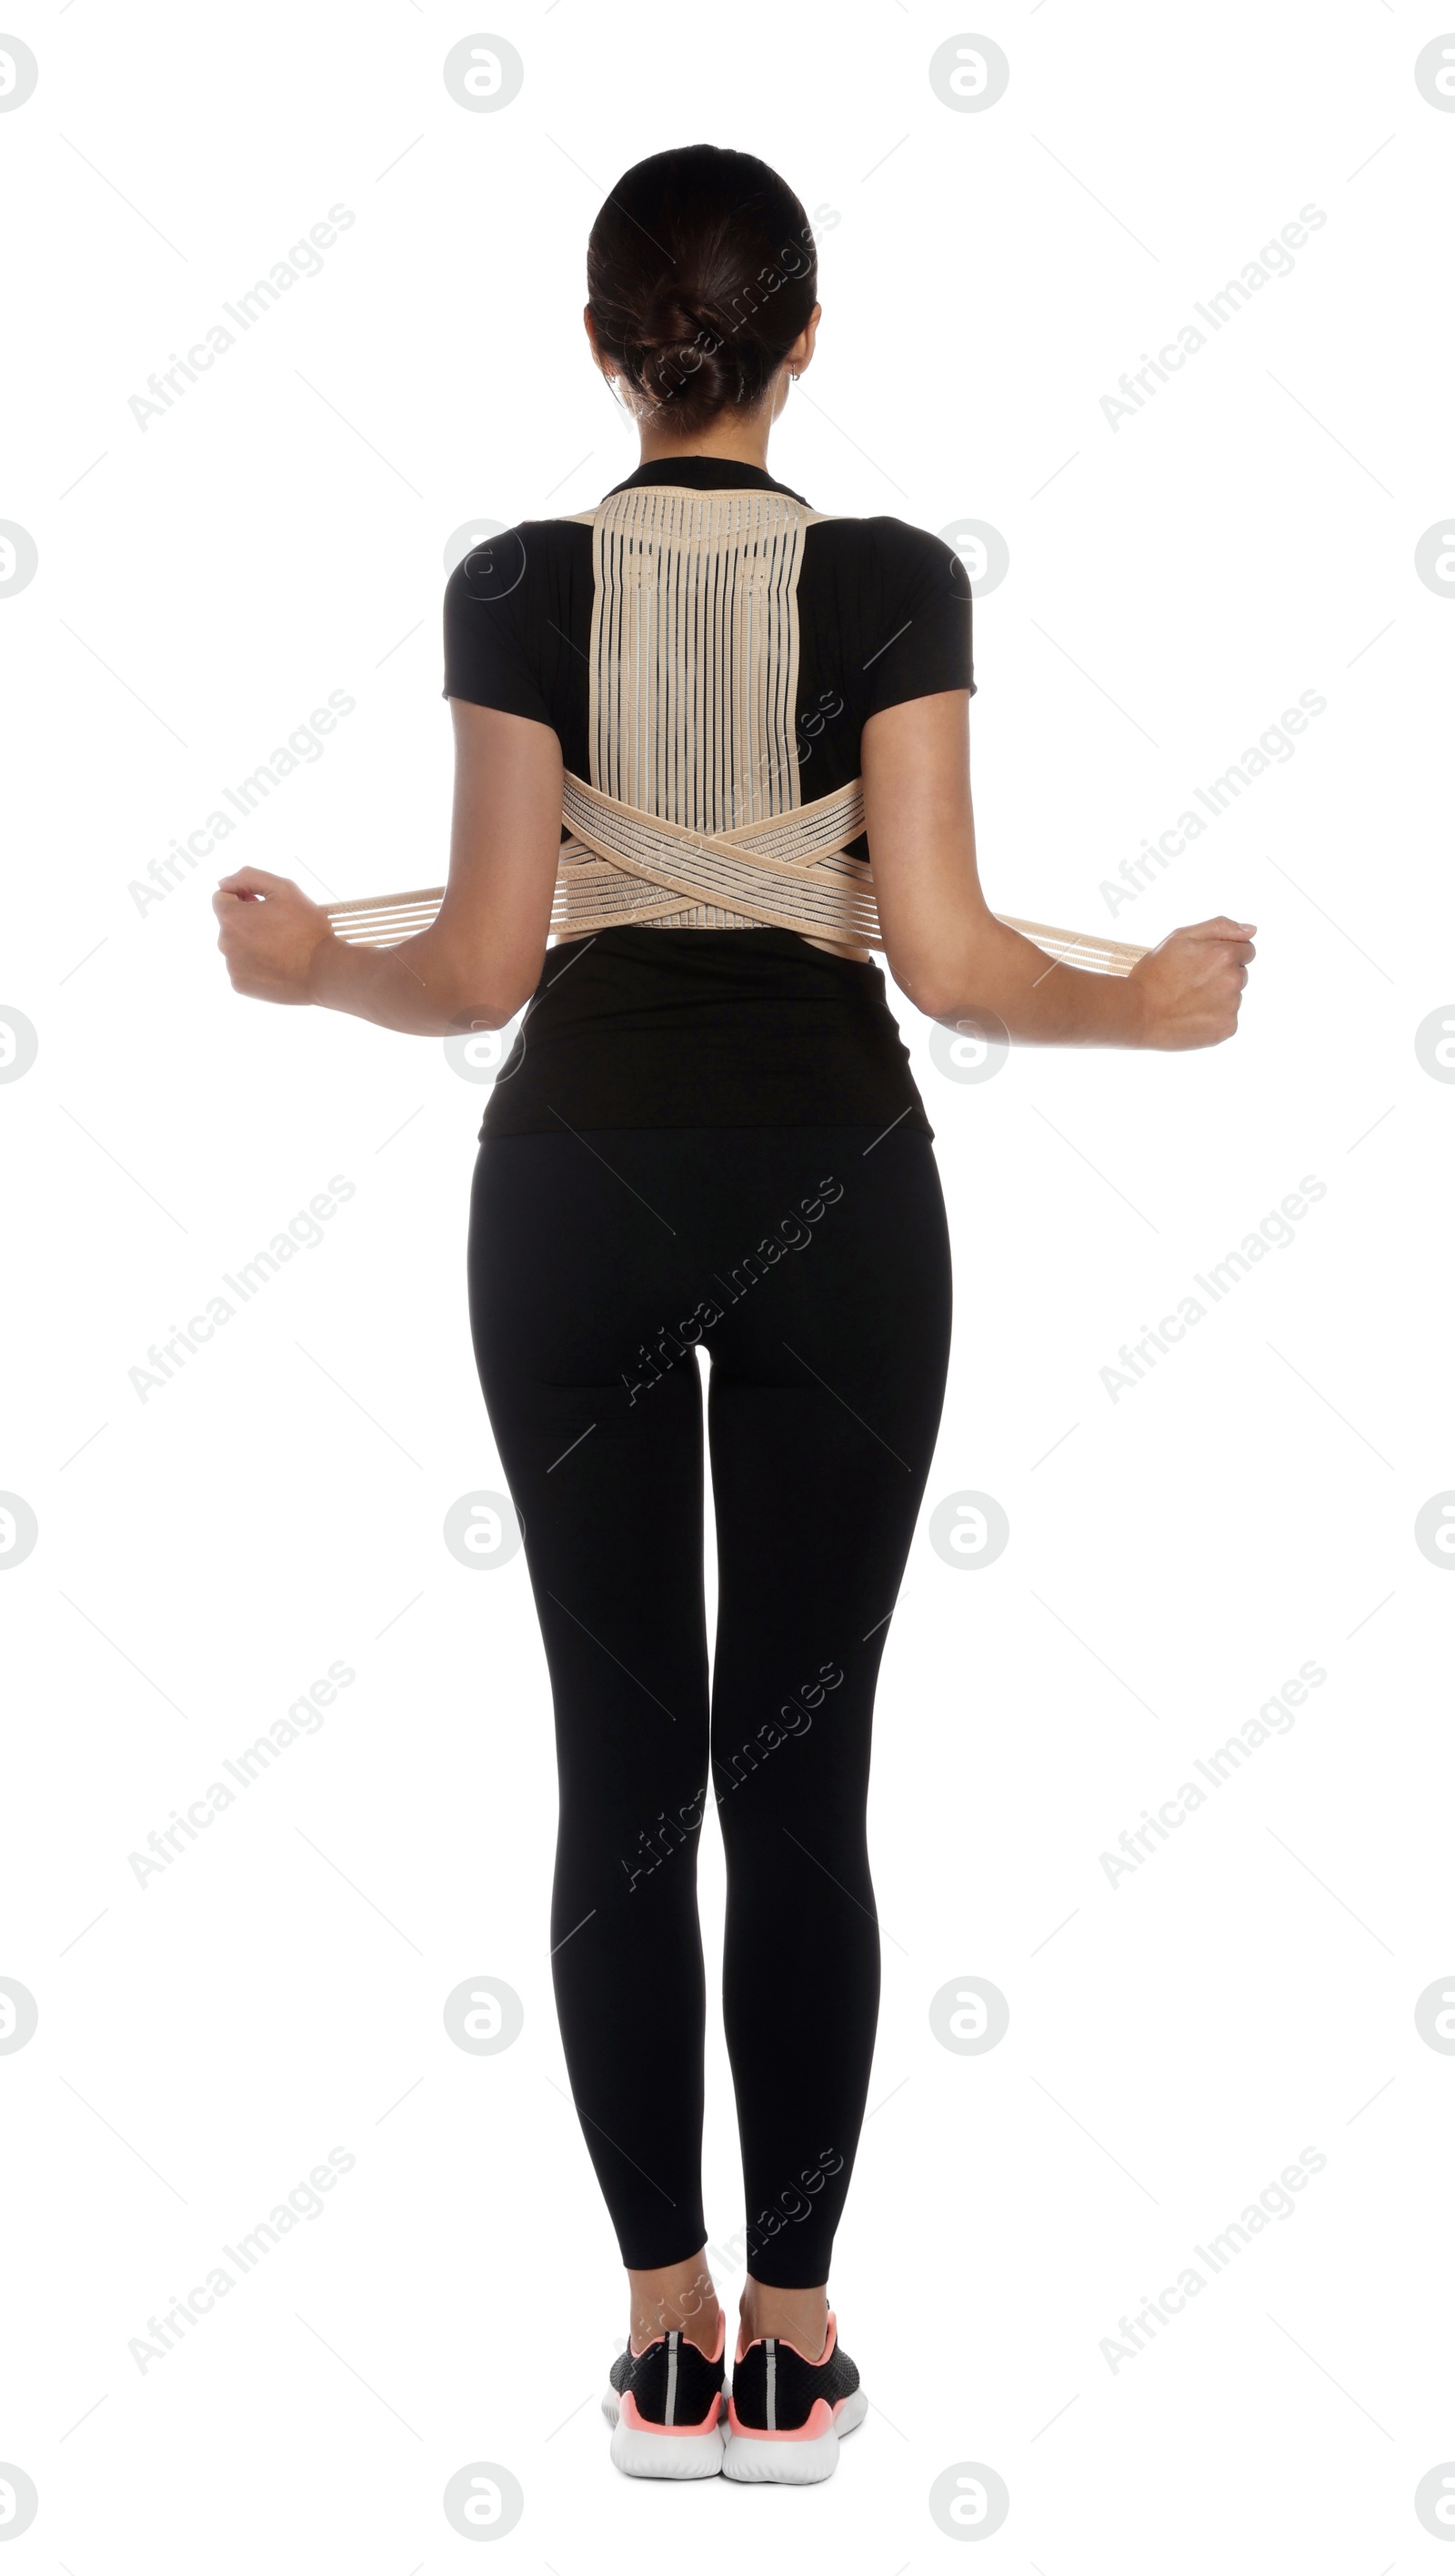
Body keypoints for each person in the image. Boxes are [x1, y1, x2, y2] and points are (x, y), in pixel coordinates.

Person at [214, 144, 1255, 2487]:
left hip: (570, 1195)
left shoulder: (514, 581)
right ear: (804, 350)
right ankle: (794, 2345)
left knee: (617, 1772)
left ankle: (658, 2337)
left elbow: (482, 970)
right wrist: (1157, 1010)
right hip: (832, 1191)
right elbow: (963, 960)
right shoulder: (891, 581)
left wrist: (303, 973)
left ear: (604, 348)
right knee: (801, 1781)